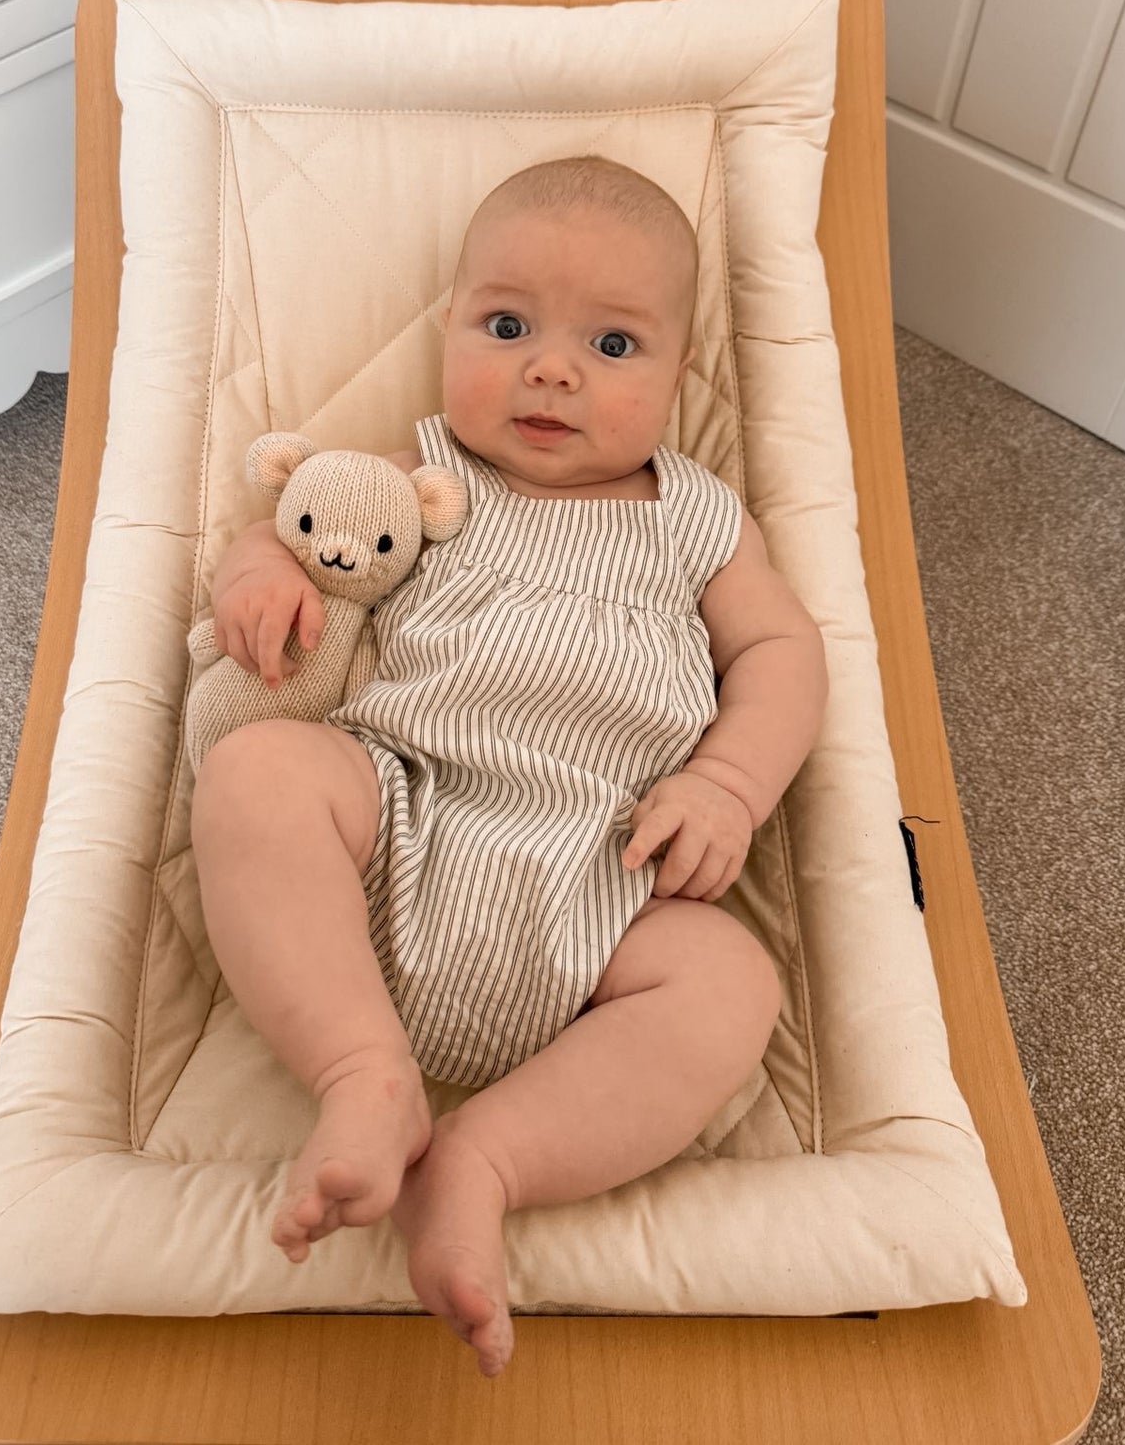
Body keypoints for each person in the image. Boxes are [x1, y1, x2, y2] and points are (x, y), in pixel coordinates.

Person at [190, 154, 829, 1379]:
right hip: (397, 823)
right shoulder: (425, 486)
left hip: (599, 883)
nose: (550, 369)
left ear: (681, 375)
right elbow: (293, 529)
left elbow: (781, 652)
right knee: (259, 769)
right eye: (505, 326)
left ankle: (482, 1161)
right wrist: (259, 573)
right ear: (447, 328)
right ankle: (362, 1070)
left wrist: (727, 785)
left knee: (730, 985)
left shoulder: (698, 521)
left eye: (612, 345)